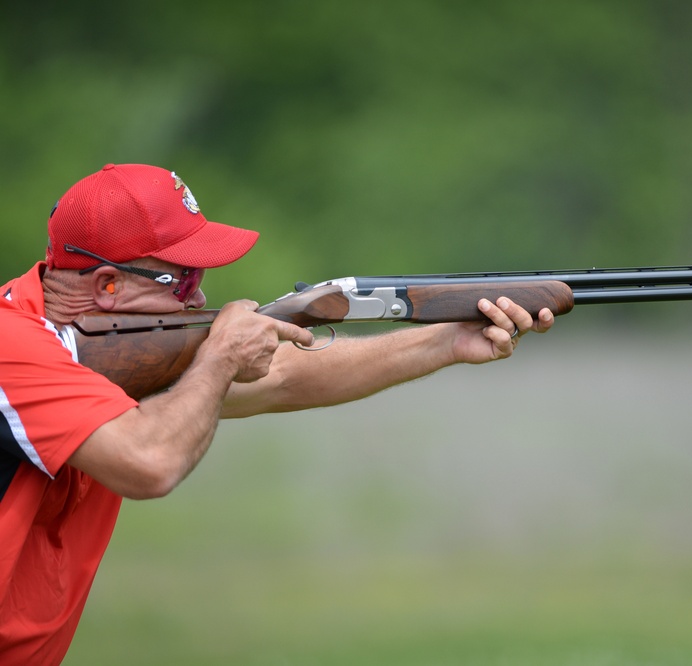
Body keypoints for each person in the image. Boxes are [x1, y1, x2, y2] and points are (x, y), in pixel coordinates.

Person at [0, 163, 554, 662]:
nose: (198, 301)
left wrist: (446, 342)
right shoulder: (13, 349)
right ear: (108, 286)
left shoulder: (84, 352)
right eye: (185, 280)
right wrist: (219, 355)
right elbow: (149, 460)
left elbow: (283, 376)